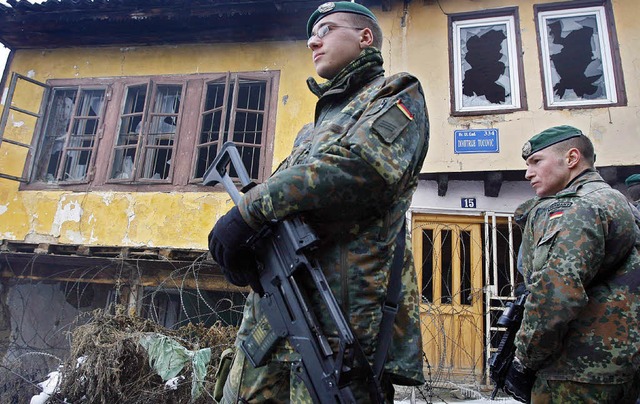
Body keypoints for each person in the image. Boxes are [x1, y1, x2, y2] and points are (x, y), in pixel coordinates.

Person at [208, 1, 429, 402]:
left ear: (364, 38)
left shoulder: (396, 93)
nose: (313, 40)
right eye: (312, 33)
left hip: (337, 333)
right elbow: (289, 204)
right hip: (274, 323)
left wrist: (248, 211)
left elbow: (359, 170)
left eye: (326, 29)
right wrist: (250, 249)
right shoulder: (311, 132)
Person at [505, 125, 640, 403]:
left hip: (574, 374)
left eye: (536, 161)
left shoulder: (576, 208)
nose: (528, 173)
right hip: (620, 365)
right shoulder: (620, 203)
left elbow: (555, 294)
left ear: (571, 158)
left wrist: (524, 359)